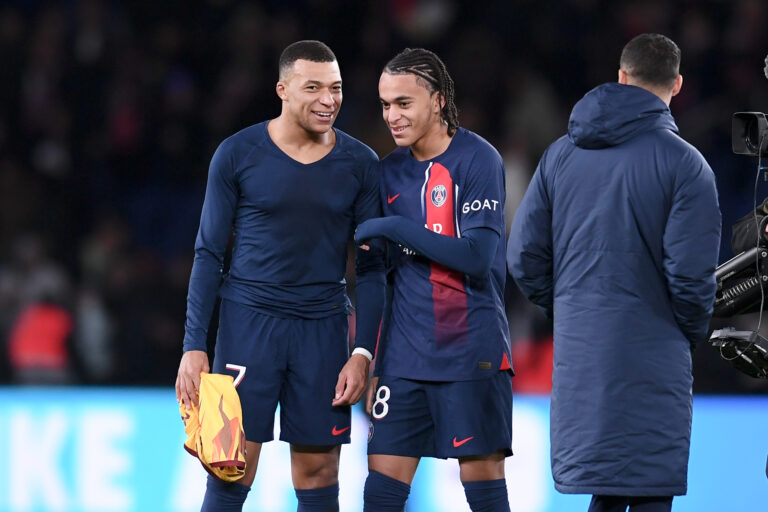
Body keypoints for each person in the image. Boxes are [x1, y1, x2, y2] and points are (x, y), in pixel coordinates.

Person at [507, 33, 721, 512]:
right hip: (655, 356)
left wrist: (573, 310)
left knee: (605, 493)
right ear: (678, 84)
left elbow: (522, 257)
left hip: (583, 352)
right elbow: (691, 279)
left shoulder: (560, 156)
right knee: (647, 492)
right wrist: (681, 333)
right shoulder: (687, 167)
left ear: (621, 77)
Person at [175, 40, 385, 512]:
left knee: (319, 472)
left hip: (323, 330)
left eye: (335, 88)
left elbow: (372, 267)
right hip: (249, 326)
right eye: (313, 88)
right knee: (230, 468)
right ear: (283, 90)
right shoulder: (236, 154)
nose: (328, 100)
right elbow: (209, 253)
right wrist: (194, 344)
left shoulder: (361, 164)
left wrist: (362, 352)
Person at [355, 48, 514, 512]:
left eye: (403, 103)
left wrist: (395, 228)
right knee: (380, 498)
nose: (392, 116)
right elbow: (378, 277)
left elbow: (479, 257)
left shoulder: (477, 159)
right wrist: (372, 357)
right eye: (385, 105)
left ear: (438, 100)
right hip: (404, 360)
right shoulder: (387, 172)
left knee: (485, 497)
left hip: (471, 356)